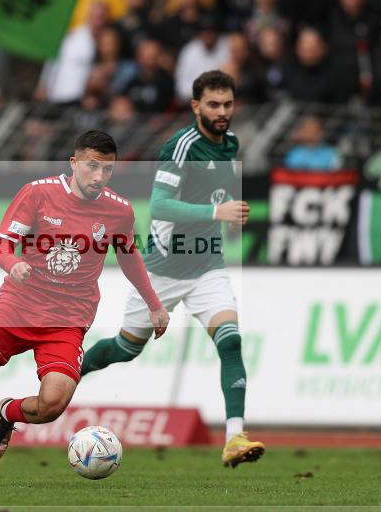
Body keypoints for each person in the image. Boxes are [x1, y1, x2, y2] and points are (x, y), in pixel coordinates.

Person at [0, 131, 170, 487]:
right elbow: (2, 247)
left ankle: (8, 412)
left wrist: (154, 304)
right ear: (74, 163)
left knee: (53, 405)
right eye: (92, 166)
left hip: (67, 320)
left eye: (108, 169)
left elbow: (128, 256)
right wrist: (14, 265)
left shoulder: (118, 210)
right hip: (17, 307)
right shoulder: (37, 193)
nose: (99, 176)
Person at [80, 70, 265, 469]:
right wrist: (216, 211)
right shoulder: (181, 146)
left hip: (207, 265)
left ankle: (234, 438)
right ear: (196, 106)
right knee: (125, 349)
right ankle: (68, 372)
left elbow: (220, 192)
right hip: (162, 269)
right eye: (213, 104)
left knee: (230, 341)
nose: (222, 112)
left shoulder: (231, 144)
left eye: (228, 104)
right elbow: (159, 205)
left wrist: (230, 217)